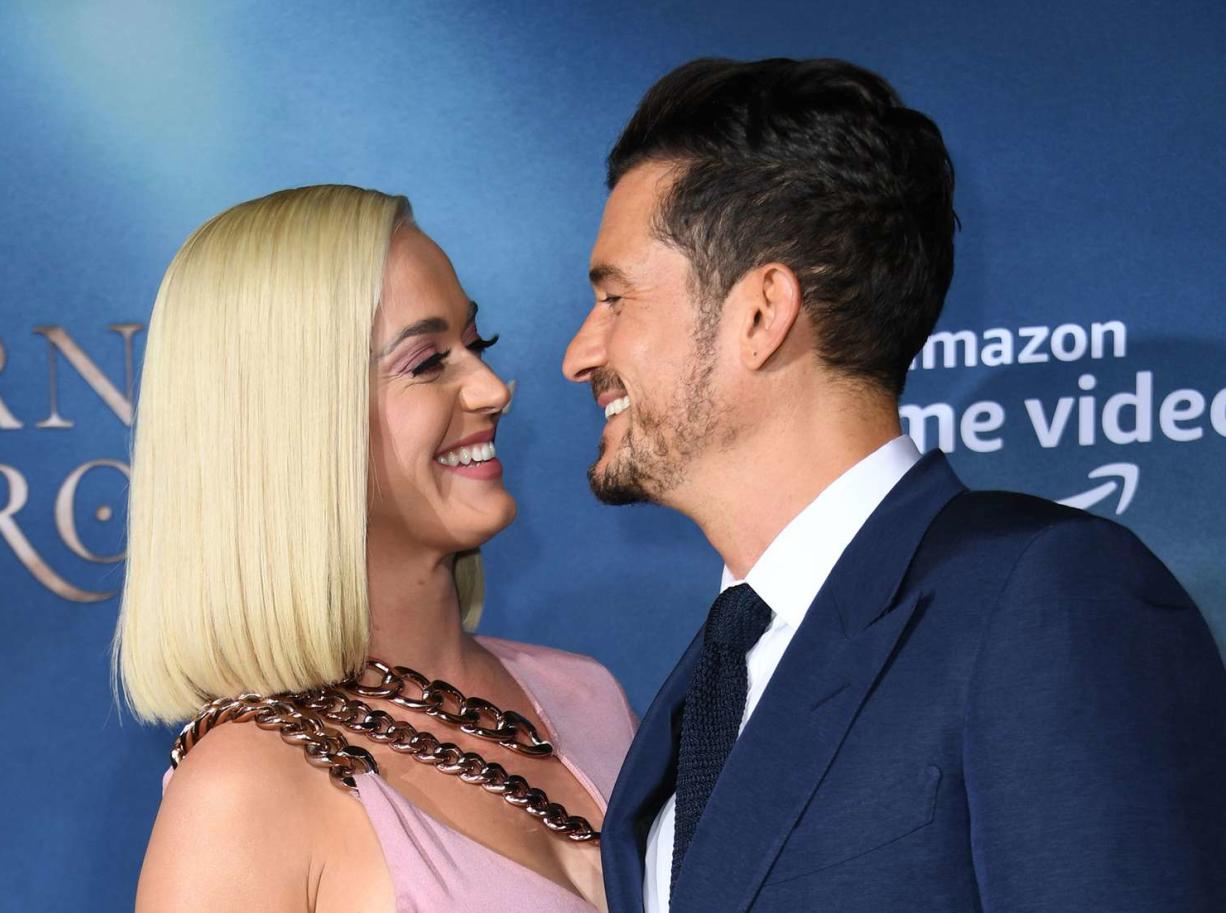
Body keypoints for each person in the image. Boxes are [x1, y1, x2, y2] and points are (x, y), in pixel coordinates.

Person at [562, 58, 1226, 913]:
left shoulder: (1048, 601)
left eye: (616, 298)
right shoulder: (710, 678)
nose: (581, 350)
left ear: (762, 313)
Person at [115, 185, 634, 913]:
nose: (491, 388)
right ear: (296, 419)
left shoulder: (589, 695)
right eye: (428, 363)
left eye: (476, 345)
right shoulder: (243, 792)